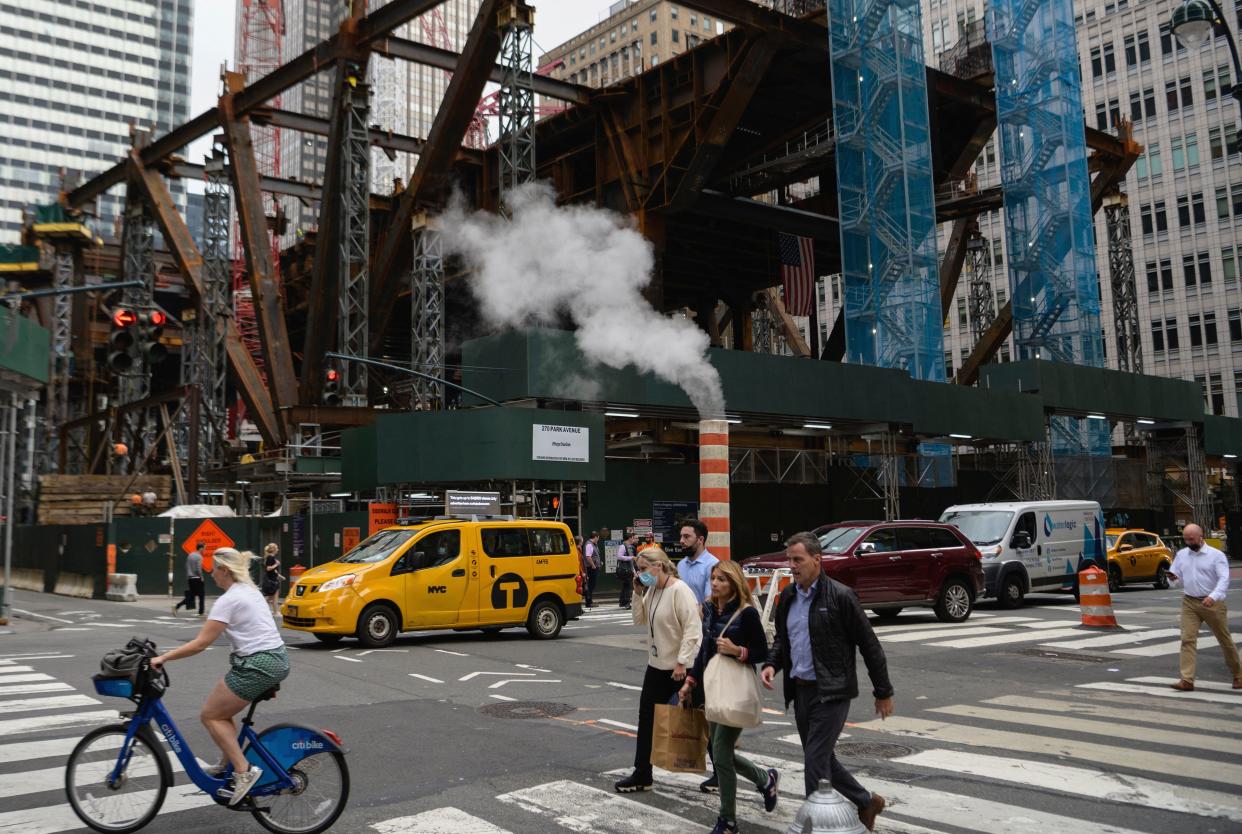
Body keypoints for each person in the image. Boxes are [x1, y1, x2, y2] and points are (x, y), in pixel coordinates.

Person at [760, 532, 894, 833]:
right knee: (821, 758)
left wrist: (882, 692)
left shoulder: (841, 596)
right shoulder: (788, 597)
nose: (792, 566)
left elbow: (870, 645)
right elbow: (784, 639)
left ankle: (814, 826)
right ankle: (866, 801)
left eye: (798, 560)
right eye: (789, 560)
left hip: (832, 691)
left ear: (816, 560)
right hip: (801, 690)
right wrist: (771, 664)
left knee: (815, 761)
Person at [151, 548, 290, 806]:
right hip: (274, 659)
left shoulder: (229, 600)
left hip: (257, 664)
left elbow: (200, 644)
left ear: (224, 570)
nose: (211, 573)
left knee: (211, 715)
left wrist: (164, 657)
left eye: (213, 568)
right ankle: (226, 766)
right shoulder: (249, 591)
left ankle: (242, 771)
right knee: (222, 713)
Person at [679, 561, 779, 834]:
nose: (715, 583)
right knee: (720, 753)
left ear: (733, 583)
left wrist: (738, 651)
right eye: (713, 578)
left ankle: (728, 820)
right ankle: (765, 779)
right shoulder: (710, 608)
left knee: (721, 752)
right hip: (713, 685)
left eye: (722, 579)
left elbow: (761, 651)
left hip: (735, 688)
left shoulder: (746, 613)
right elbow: (703, 651)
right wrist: (690, 681)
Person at [615, 546, 703, 793]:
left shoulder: (680, 591)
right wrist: (636, 592)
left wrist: (682, 662)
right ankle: (642, 773)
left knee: (694, 719)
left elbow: (693, 630)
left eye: (644, 569)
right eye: (639, 569)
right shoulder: (652, 590)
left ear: (660, 566)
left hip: (681, 669)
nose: (640, 573)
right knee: (646, 720)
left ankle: (720, 772)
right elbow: (639, 620)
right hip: (656, 666)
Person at [1167, 523, 1242, 691]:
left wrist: (1213, 596)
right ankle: (1187, 680)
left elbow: (1224, 579)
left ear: (1201, 536)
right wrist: (1173, 579)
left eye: (1191, 539)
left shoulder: (1216, 555)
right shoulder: (1181, 555)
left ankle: (1238, 675)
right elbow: (1176, 581)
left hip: (1212, 603)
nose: (1188, 542)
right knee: (1187, 639)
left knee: (1224, 640)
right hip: (1190, 601)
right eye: (1185, 539)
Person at [678, 519, 720, 605]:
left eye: (686, 536)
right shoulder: (681, 564)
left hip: (701, 617)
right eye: (681, 536)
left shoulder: (713, 565)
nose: (681, 541)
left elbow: (710, 601)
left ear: (700, 540)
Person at [174, 542, 206, 617]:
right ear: (201, 548)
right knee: (202, 595)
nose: (204, 550)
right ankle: (201, 612)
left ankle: (177, 606)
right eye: (204, 548)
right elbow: (198, 569)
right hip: (197, 578)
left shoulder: (190, 555)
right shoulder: (199, 557)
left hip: (190, 578)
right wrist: (201, 577)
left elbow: (187, 566)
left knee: (191, 596)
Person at [616, 532, 638, 609]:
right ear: (629, 538)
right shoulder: (623, 546)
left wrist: (634, 571)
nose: (633, 539)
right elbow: (619, 557)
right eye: (632, 538)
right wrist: (630, 557)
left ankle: (623, 602)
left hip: (628, 569)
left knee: (625, 586)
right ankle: (627, 603)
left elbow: (631, 562)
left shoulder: (629, 547)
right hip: (625, 569)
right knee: (628, 586)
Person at [261, 543, 283, 616]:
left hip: (272, 579)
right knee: (274, 597)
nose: (278, 549)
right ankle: (276, 612)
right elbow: (268, 568)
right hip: (272, 580)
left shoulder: (270, 558)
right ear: (273, 549)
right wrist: (276, 564)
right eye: (277, 548)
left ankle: (263, 609)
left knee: (270, 597)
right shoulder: (271, 558)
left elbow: (274, 570)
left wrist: (280, 576)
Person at [582, 531, 602, 609]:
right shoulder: (589, 545)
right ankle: (588, 601)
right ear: (596, 537)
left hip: (594, 567)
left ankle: (590, 600)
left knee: (592, 584)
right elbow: (588, 556)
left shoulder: (593, 544)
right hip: (591, 568)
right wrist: (593, 565)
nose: (598, 539)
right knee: (590, 585)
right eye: (598, 538)